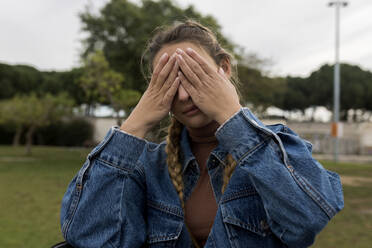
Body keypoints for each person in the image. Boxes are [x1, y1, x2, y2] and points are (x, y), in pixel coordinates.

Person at [60, 20, 344, 248]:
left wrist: (232, 116)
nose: (184, 94)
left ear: (224, 69)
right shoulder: (147, 167)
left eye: (195, 74)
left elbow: (307, 220)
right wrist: (135, 124)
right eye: (170, 80)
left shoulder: (276, 147)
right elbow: (89, 237)